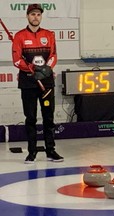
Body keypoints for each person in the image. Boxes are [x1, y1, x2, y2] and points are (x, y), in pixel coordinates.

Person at [12, 4, 63, 164]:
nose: (36, 17)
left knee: (48, 117)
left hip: (46, 83)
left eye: (38, 14)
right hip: (28, 82)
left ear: (41, 17)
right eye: (33, 14)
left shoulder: (49, 35)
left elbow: (54, 55)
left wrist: (46, 69)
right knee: (31, 118)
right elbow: (17, 60)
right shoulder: (19, 36)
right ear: (27, 16)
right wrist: (33, 68)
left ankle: (51, 151)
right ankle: (32, 152)